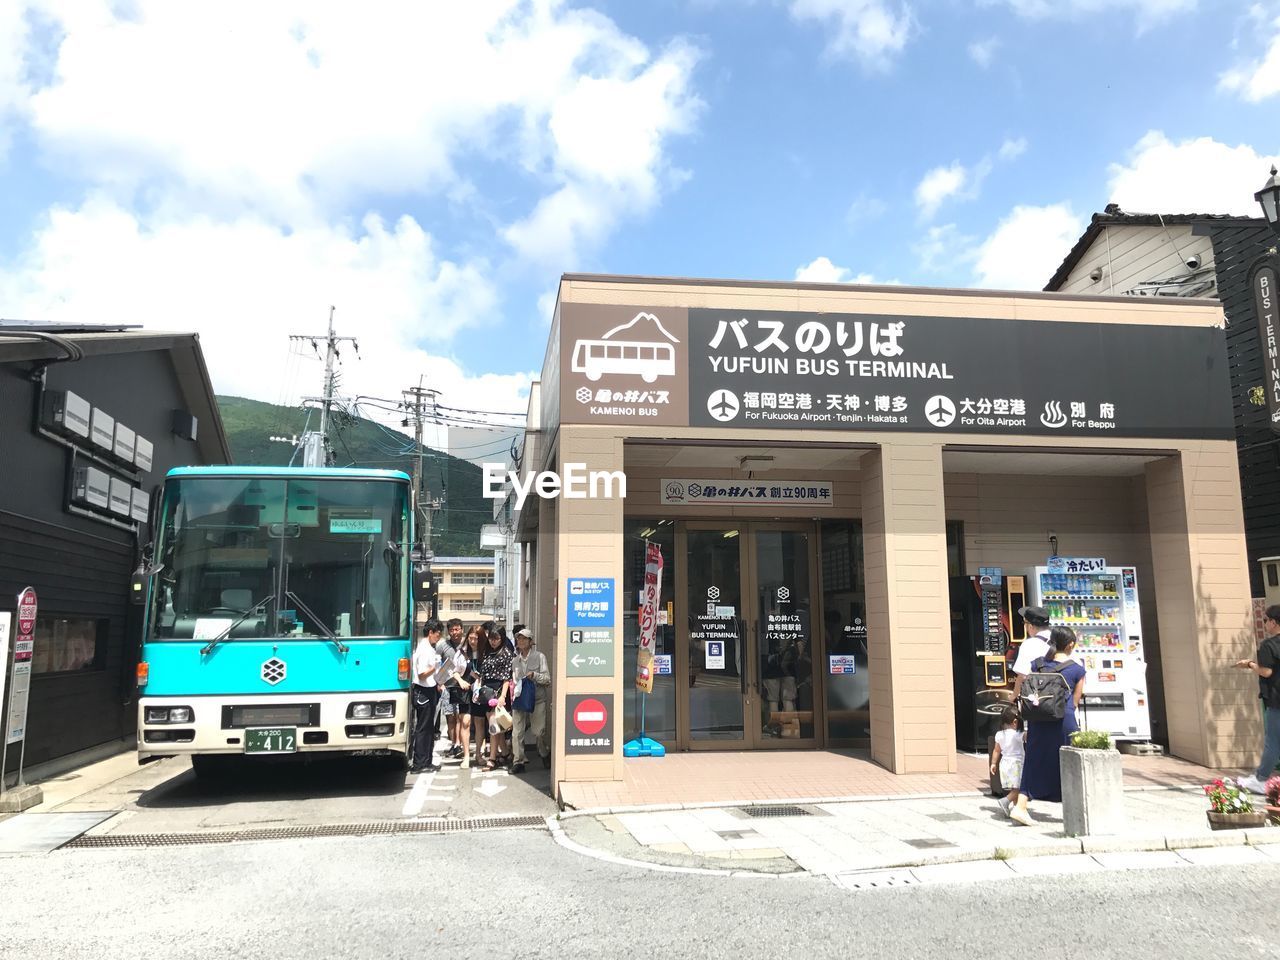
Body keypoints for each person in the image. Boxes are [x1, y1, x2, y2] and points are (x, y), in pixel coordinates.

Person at [1010, 626, 1086, 825]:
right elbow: (1075, 702)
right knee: (1069, 760)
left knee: (1034, 760)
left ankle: (1021, 806)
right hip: (1064, 720)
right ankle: (1074, 806)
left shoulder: (1038, 664)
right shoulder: (1077, 668)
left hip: (1038, 718)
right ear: (1070, 645)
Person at [1234, 604, 1280, 794]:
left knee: (1273, 741)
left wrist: (1250, 664)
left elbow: (1267, 672)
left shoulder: (1269, 645)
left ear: (1274, 622)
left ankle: (1261, 779)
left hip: (1277, 700)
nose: (1265, 624)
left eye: (1266, 620)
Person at [511, 627, 551, 773]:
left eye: (524, 638)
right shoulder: (515, 661)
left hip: (537, 699)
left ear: (530, 641)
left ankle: (543, 752)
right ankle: (518, 761)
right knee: (517, 732)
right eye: (518, 638)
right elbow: (513, 681)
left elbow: (547, 680)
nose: (520, 641)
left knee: (538, 731)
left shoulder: (540, 657)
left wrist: (534, 675)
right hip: (520, 699)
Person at [477, 620, 514, 770]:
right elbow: (482, 674)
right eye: (491, 638)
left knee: (493, 725)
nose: (493, 642)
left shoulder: (507, 653)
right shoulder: (487, 651)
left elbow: (507, 678)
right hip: (486, 691)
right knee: (496, 725)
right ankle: (504, 753)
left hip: (499, 691)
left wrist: (502, 697)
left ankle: (492, 759)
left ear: (502, 638)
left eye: (496, 638)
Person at [410, 620, 443, 774]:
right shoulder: (424, 649)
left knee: (429, 728)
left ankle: (426, 762)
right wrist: (435, 668)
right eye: (437, 634)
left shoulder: (428, 647)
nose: (438, 637)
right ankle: (419, 763)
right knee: (423, 728)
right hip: (423, 691)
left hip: (429, 689)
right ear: (430, 632)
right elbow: (422, 675)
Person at [1010, 605, 1053, 700]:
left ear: (1030, 626)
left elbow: (1022, 676)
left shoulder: (1029, 644)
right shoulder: (1061, 639)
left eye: (1024, 623)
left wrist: (1013, 696)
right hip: (1061, 699)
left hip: (1039, 702)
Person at [989, 707, 1025, 819]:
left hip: (1004, 764)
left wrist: (993, 763)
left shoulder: (999, 734)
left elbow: (996, 750)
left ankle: (1016, 809)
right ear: (1015, 722)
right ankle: (1005, 801)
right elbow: (1028, 736)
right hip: (1016, 764)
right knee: (1020, 788)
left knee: (1014, 789)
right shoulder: (1018, 734)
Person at [436, 619, 464, 758]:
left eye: (457, 629)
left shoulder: (466, 645)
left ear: (462, 630)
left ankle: (459, 744)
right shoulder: (442, 646)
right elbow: (437, 665)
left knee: (460, 716)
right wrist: (439, 683)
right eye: (452, 630)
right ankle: (454, 744)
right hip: (447, 685)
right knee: (450, 717)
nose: (454, 632)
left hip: (462, 686)